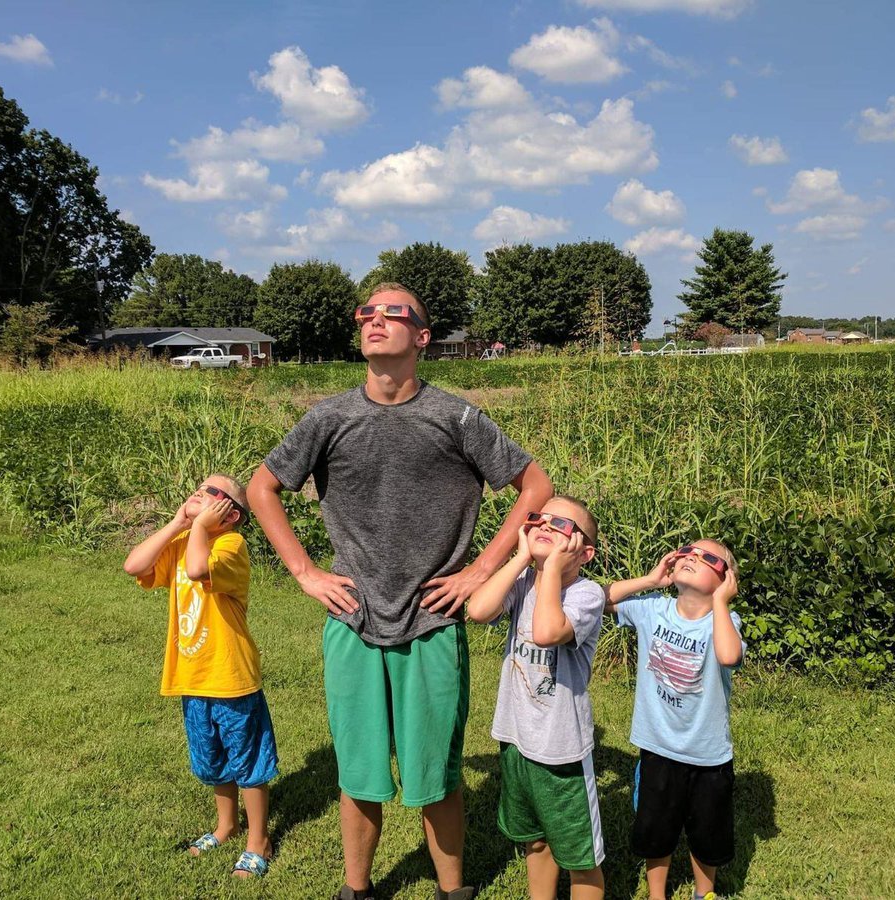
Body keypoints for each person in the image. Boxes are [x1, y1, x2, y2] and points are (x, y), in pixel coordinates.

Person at [247, 283, 553, 900]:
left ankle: (452, 891)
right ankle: (356, 891)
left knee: (435, 776)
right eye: (368, 313)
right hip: (353, 620)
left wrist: (480, 572)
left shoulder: (456, 416)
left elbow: (535, 486)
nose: (376, 321)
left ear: (423, 337)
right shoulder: (328, 417)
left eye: (395, 313)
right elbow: (261, 488)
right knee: (358, 775)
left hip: (432, 623)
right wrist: (305, 572)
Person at [122, 474, 278, 879]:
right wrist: (178, 524)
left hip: (231, 678)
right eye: (200, 487)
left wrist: (202, 529)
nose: (200, 492)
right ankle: (226, 826)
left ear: (231, 514)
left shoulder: (231, 545)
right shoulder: (182, 541)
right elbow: (133, 565)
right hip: (192, 677)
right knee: (212, 760)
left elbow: (195, 570)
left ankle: (258, 839)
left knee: (249, 763)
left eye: (213, 492)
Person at [466, 496, 607, 900]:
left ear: (586, 552)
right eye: (539, 519)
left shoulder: (587, 594)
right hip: (516, 737)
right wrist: (521, 557)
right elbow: (478, 610)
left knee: (581, 858)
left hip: (561, 750)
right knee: (535, 839)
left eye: (561, 524)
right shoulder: (524, 581)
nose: (545, 525)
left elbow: (546, 631)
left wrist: (550, 571)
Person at [605, 540, 744, 900]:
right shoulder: (653, 609)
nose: (692, 557)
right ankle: (657, 894)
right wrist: (650, 581)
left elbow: (729, 656)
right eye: (687, 550)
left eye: (708, 558)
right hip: (658, 747)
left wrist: (721, 602)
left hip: (708, 754)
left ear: (726, 579)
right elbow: (599, 598)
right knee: (657, 828)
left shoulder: (725, 620)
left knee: (707, 833)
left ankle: (704, 892)